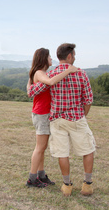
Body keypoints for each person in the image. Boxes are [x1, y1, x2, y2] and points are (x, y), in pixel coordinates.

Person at [30, 43, 96, 196]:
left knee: (62, 153)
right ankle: (87, 184)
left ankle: (67, 185)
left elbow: (35, 90)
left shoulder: (51, 74)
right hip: (77, 118)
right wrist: (82, 115)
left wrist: (29, 86)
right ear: (69, 56)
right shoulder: (81, 73)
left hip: (57, 119)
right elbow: (88, 99)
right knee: (88, 150)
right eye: (74, 55)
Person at [25, 47, 78, 188]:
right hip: (42, 114)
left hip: (42, 113)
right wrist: (68, 70)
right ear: (43, 58)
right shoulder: (40, 73)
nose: (51, 59)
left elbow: (30, 89)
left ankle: (41, 175)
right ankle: (32, 178)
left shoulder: (40, 73)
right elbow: (51, 82)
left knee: (42, 147)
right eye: (49, 57)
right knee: (40, 147)